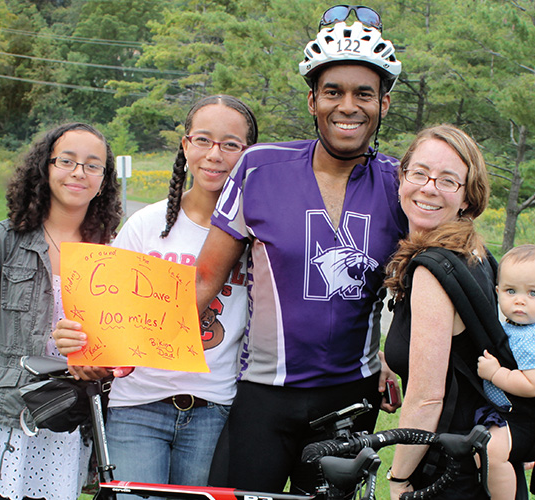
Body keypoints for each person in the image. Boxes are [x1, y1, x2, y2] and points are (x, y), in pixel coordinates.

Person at [189, 6, 406, 493]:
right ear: (313, 101)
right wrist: (132, 344)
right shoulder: (258, 167)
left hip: (350, 398)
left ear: (383, 104)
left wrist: (395, 355)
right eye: (333, 92)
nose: (347, 106)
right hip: (265, 395)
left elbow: (417, 281)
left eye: (363, 94)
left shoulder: (400, 182)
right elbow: (204, 280)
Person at [0, 122, 122, 500]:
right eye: (67, 161)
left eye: (93, 165)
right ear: (45, 167)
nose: (79, 172)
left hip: (68, 426)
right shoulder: (4, 240)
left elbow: (118, 347)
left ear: (105, 180)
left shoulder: (111, 253)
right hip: (3, 421)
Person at [103, 95, 258, 487]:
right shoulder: (146, 224)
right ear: (186, 145)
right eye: (203, 140)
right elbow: (107, 309)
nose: (214, 154)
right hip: (137, 406)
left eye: (230, 144)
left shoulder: (258, 235)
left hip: (214, 409)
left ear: (249, 153)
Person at [383, 124, 533, 500]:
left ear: (467, 197)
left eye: (448, 181)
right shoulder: (476, 255)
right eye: (419, 173)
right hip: (484, 453)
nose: (428, 187)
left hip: (452, 472)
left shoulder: (434, 271)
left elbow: (427, 397)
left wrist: (400, 477)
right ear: (402, 177)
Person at [475, 244, 535, 500]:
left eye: (533, 293)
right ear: (497, 292)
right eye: (511, 291)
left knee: (490, 453)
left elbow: (534, 385)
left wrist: (495, 374)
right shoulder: (519, 325)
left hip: (526, 417)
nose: (520, 300)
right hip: (510, 412)